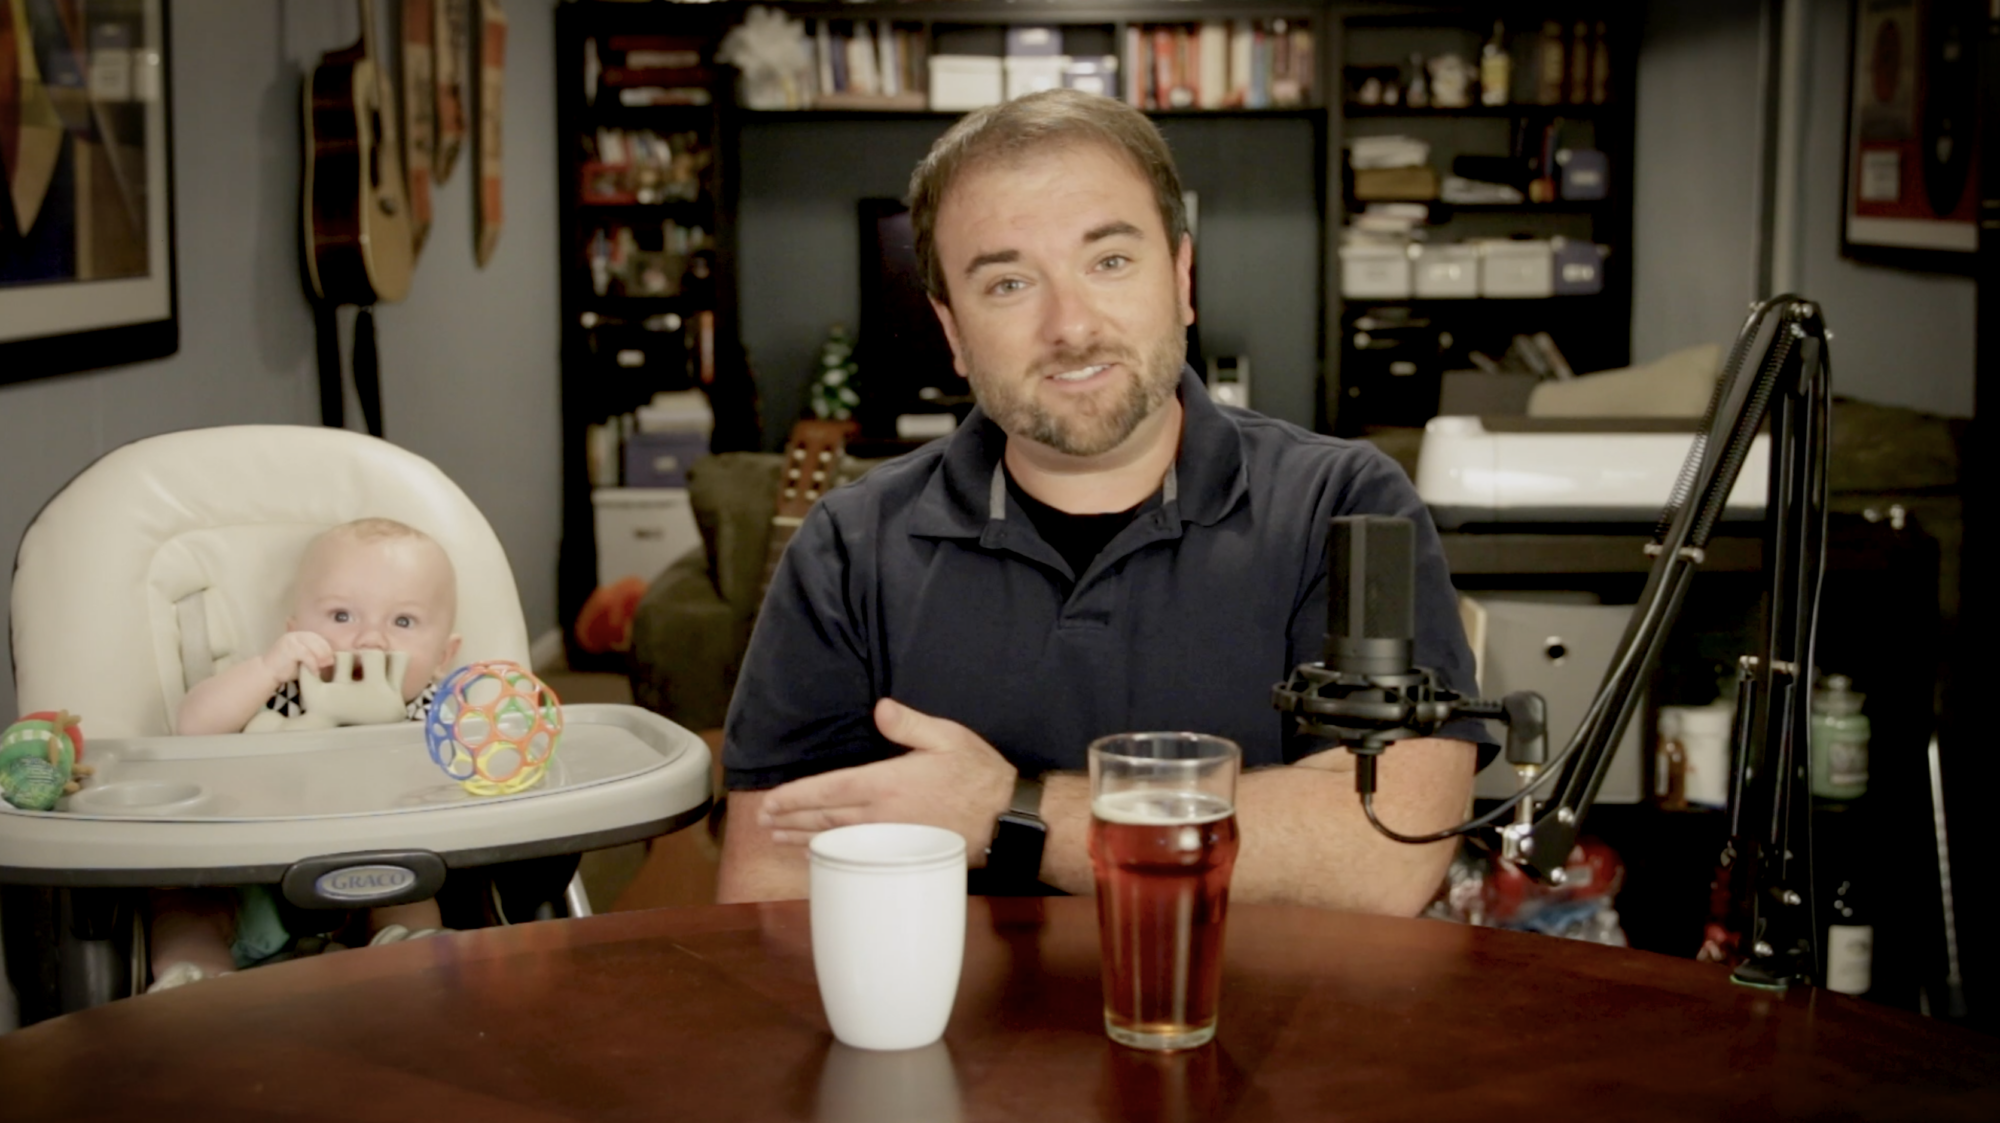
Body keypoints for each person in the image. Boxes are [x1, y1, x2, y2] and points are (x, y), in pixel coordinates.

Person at [717, 89, 1488, 913]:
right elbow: (774, 890)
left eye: (1110, 261)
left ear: (1182, 277)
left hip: (1262, 1030)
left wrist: (1008, 812)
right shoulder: (847, 548)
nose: (1072, 325)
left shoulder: (1345, 507)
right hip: (950, 1032)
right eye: (1009, 282)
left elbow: (1387, 852)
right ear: (953, 331)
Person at [149, 518, 464, 990]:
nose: (369, 640)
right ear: (295, 631)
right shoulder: (283, 692)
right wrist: (267, 668)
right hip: (252, 877)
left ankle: (409, 945)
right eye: (341, 616)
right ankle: (195, 976)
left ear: (444, 655)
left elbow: (475, 780)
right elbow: (193, 726)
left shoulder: (434, 713)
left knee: (411, 885)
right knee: (183, 904)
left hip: (373, 876)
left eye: (403, 621)